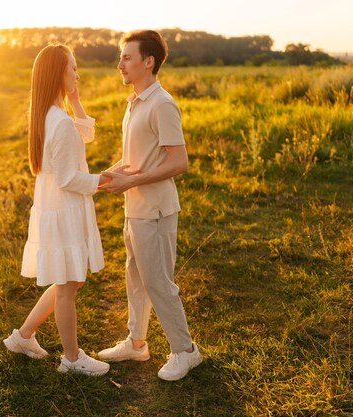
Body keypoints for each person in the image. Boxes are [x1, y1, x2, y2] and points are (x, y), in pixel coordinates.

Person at [97, 30, 203, 381]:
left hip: (156, 209)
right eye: (121, 57)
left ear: (149, 61)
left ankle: (186, 352)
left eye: (127, 58)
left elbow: (179, 162)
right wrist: (113, 172)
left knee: (158, 281)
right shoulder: (135, 101)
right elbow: (137, 158)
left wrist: (134, 181)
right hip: (135, 207)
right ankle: (137, 342)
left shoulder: (162, 104)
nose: (120, 64)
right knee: (135, 278)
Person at [3, 44, 110, 377]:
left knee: (70, 280)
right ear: (57, 74)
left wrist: (75, 99)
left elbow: (87, 135)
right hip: (63, 206)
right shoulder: (59, 122)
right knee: (68, 283)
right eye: (72, 69)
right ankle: (72, 358)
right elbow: (67, 178)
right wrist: (104, 180)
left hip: (55, 205)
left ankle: (23, 336)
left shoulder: (50, 115)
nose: (77, 74)